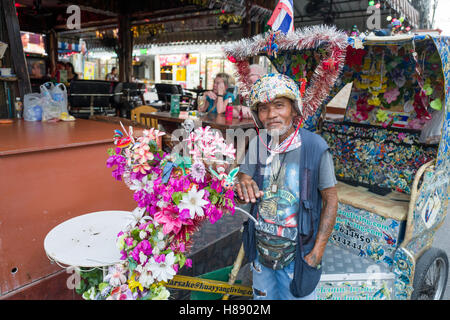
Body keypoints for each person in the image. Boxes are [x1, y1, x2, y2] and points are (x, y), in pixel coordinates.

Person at [235, 73, 338, 300]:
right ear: (257, 115)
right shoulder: (258, 144)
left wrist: (317, 252)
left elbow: (331, 200)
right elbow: (241, 189)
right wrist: (242, 185)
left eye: (279, 105)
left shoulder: (315, 147)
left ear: (294, 109)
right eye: (263, 108)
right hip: (261, 254)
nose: (271, 115)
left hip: (298, 256)